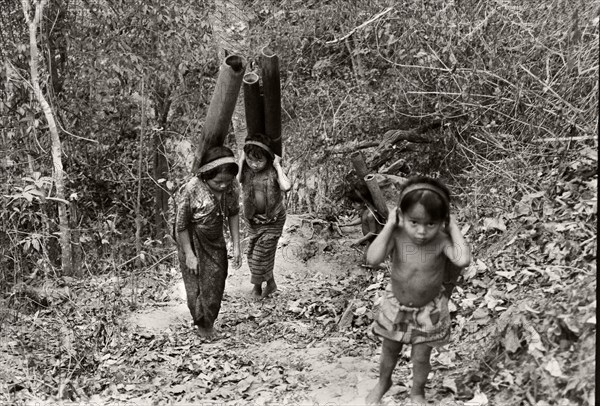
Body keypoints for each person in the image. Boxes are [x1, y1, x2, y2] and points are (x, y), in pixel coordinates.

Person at [365, 176, 471, 405]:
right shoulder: (397, 236)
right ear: (401, 216)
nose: (422, 231)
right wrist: (390, 226)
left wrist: (453, 227)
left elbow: (462, 260)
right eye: (414, 222)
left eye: (430, 224)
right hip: (396, 306)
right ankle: (384, 382)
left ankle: (417, 392)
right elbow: (373, 259)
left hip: (429, 311)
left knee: (422, 356)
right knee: (389, 351)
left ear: (442, 221)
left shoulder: (442, 241)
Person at [174, 146, 242, 339]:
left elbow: (234, 213)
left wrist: (237, 246)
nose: (223, 186)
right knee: (194, 285)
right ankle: (203, 326)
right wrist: (189, 254)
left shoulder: (231, 186)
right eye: (218, 181)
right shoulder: (192, 188)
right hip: (192, 240)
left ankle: (208, 320)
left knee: (215, 282)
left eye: (226, 182)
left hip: (215, 240)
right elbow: (181, 225)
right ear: (205, 175)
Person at [238, 133, 291, 299]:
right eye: (250, 159)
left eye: (259, 160)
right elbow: (238, 178)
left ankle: (257, 288)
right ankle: (271, 283)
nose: (254, 164)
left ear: (268, 158)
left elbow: (286, 186)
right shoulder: (246, 171)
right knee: (253, 253)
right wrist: (240, 160)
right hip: (253, 221)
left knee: (261, 253)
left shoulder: (272, 171)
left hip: (273, 220)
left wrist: (277, 166)